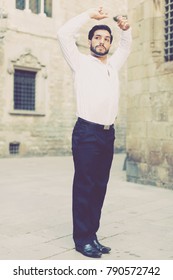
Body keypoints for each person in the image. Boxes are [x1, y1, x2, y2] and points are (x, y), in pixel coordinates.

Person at [57, 7, 132, 258]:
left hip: (108, 134)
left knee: (100, 186)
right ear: (90, 41)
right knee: (85, 186)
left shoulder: (112, 65)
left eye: (107, 39)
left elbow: (126, 47)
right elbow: (63, 34)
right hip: (87, 133)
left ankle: (92, 235)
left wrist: (125, 30)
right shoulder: (80, 62)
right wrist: (89, 15)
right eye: (98, 38)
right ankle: (82, 240)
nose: (102, 42)